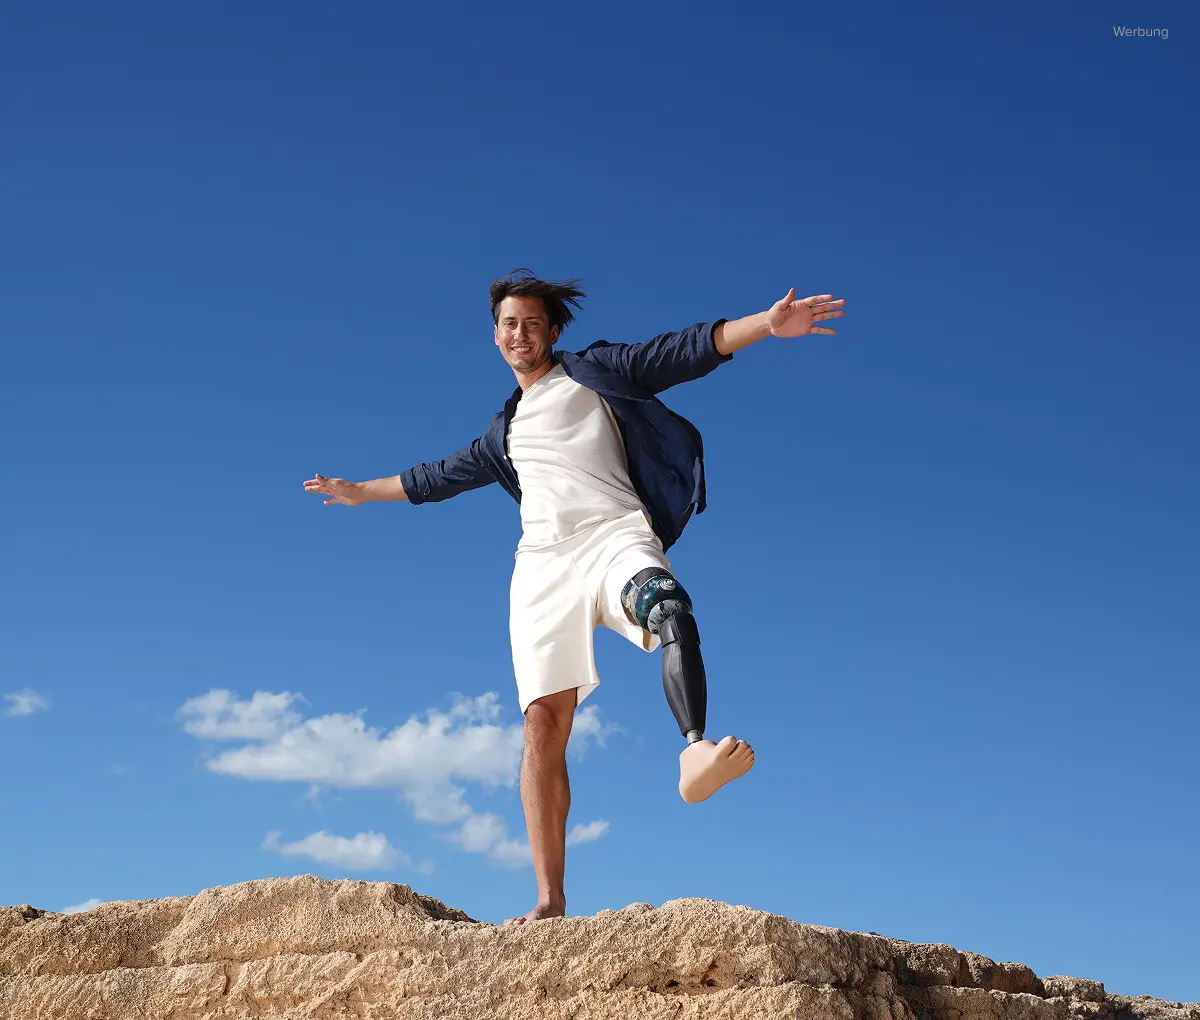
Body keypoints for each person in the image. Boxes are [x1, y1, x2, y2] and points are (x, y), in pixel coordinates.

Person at [304, 270, 845, 926]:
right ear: (495, 336)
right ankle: (549, 898)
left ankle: (694, 749)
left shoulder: (597, 371)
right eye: (509, 324)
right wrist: (362, 491)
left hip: (615, 536)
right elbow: (437, 477)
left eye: (532, 323)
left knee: (669, 608)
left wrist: (766, 324)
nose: (520, 334)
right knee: (542, 724)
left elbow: (683, 350)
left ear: (553, 331)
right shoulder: (501, 434)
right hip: (541, 569)